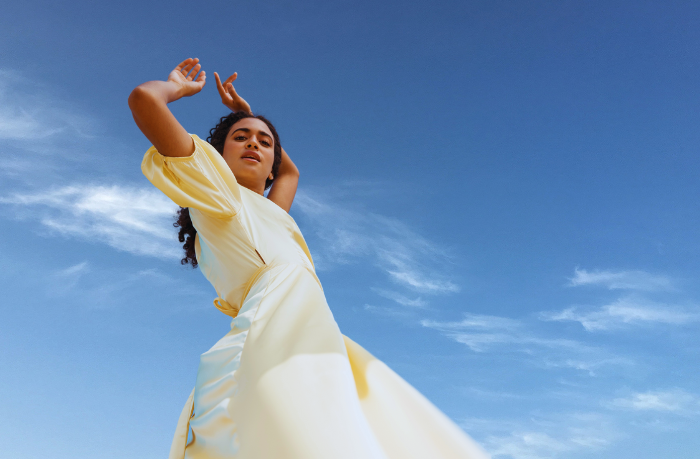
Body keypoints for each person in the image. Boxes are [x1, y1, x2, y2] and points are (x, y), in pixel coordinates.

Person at [129, 58, 489, 459]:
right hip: (273, 324)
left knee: (363, 427)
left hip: (309, 323)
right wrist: (176, 88)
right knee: (296, 430)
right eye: (241, 138)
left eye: (265, 143)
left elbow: (290, 175)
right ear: (216, 156)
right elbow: (145, 100)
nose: (254, 144)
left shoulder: (273, 212)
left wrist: (246, 115)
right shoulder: (219, 192)